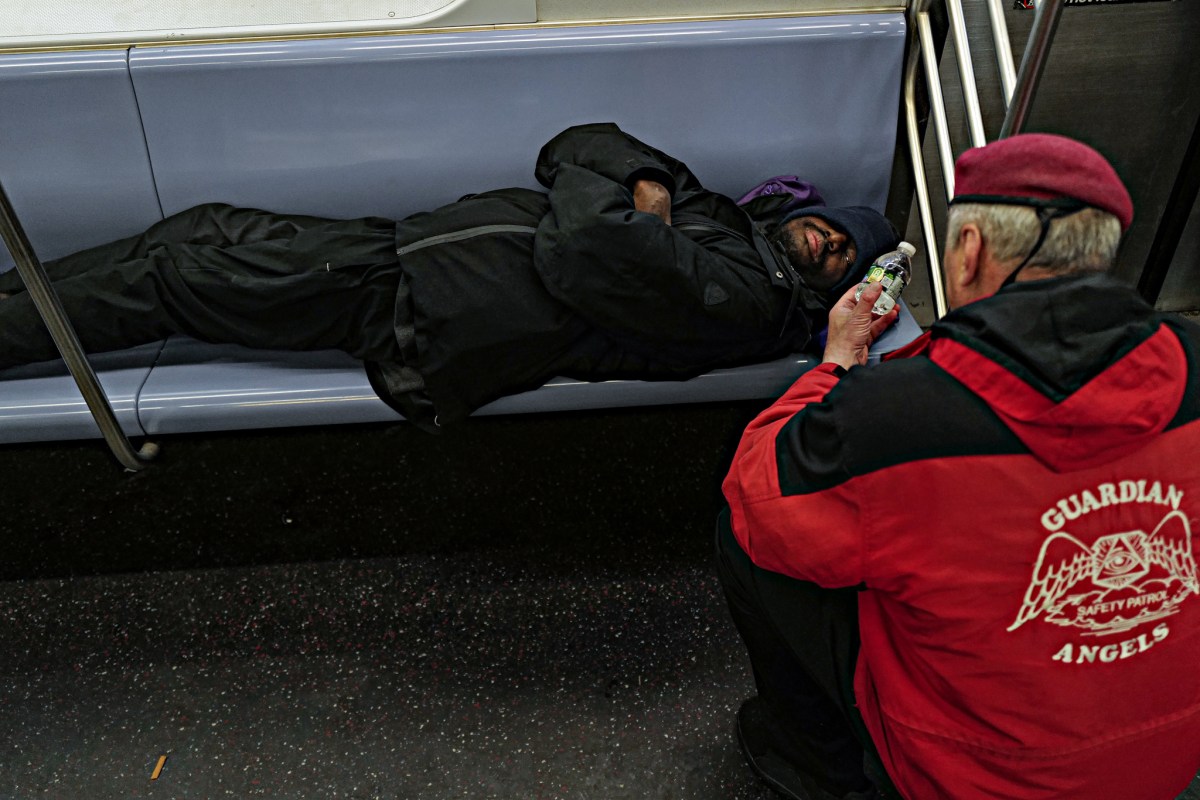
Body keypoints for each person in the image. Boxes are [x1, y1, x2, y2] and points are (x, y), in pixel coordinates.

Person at [717, 132, 1200, 799]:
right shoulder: (1193, 365)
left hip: (973, 776)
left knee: (750, 536)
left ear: (969, 252)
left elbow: (756, 495)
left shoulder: (898, 419)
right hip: (1170, 766)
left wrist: (834, 365)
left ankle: (816, 767)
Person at [0, 122, 898, 430]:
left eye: (839, 258)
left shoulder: (745, 302)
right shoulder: (719, 222)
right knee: (190, 236)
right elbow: (576, 143)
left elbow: (578, 246)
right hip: (403, 245)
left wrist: (634, 202)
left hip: (423, 306)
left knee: (172, 277)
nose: (824, 246)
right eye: (828, 230)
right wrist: (644, 194)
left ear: (828, 285)